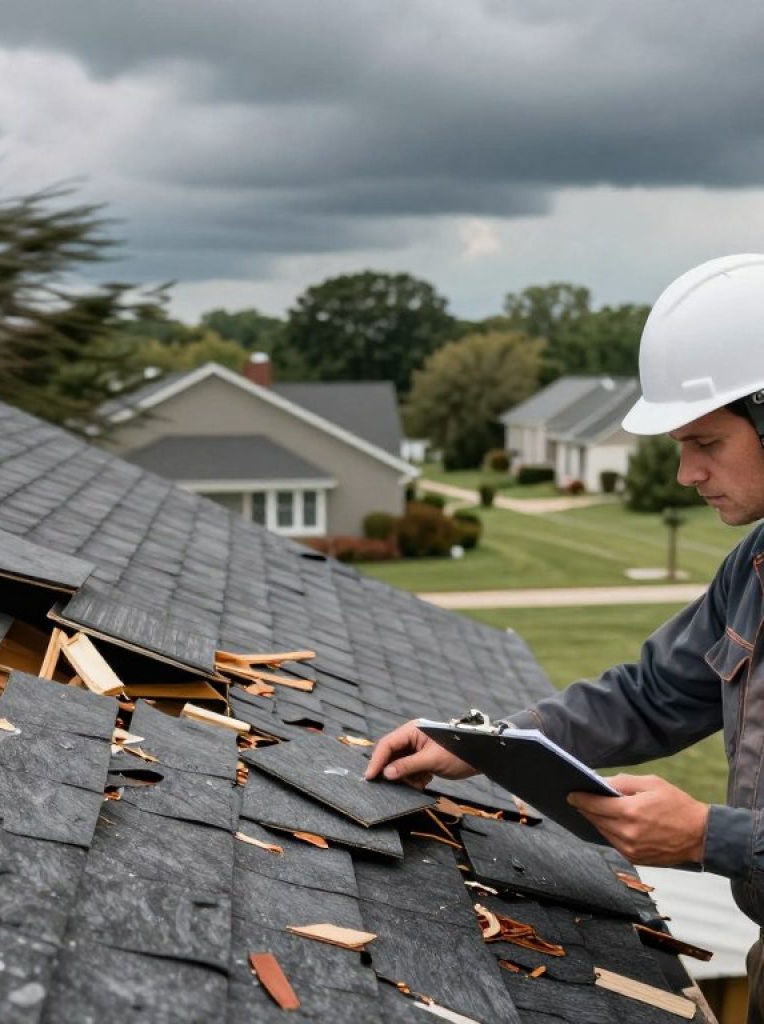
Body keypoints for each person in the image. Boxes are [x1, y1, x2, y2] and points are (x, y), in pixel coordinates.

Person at [364, 254, 764, 1022]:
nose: (685, 473)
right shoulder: (755, 567)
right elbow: (651, 697)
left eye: (706, 443)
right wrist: (489, 743)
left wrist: (708, 838)